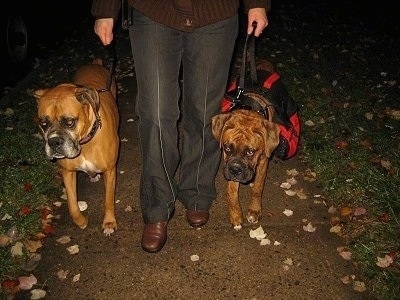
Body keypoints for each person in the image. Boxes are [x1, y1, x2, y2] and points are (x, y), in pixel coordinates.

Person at [91, 0, 271, 253]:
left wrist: (257, 3)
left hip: (214, 13)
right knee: (155, 112)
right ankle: (157, 205)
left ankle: (197, 190)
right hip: (152, 11)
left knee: (205, 110)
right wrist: (106, 9)